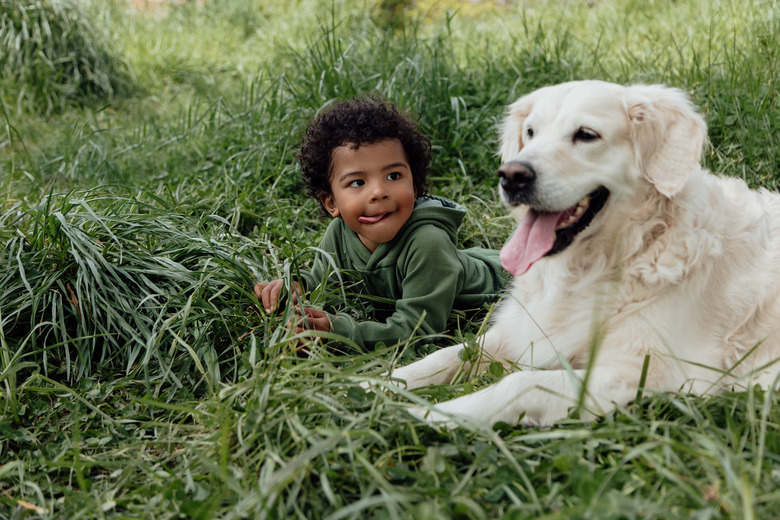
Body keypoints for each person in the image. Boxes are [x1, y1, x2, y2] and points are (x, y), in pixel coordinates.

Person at [255, 95, 505, 351]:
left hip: (512, 282)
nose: (378, 192)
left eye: (393, 175)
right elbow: (323, 282)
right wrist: (296, 287)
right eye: (357, 182)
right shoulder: (339, 233)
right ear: (332, 203)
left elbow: (418, 332)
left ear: (415, 186)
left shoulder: (428, 243)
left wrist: (337, 332)